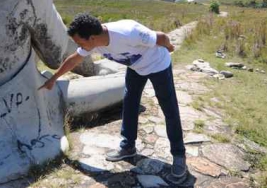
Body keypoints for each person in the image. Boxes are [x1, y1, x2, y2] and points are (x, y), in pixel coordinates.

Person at [39, 13, 188, 181]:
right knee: (130, 104)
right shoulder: (93, 43)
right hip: (136, 68)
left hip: (158, 65)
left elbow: (161, 37)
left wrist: (169, 48)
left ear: (92, 38)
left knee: (169, 109)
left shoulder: (128, 32)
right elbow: (74, 60)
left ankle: (179, 156)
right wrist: (53, 78)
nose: (79, 46)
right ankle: (128, 147)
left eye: (80, 42)